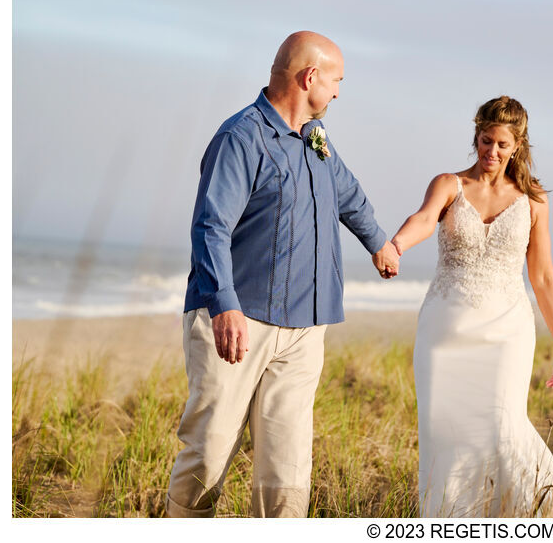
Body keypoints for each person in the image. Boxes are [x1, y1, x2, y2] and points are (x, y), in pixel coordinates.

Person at [165, 31, 400, 518]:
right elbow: (211, 225)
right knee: (207, 457)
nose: (338, 92)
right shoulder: (240, 137)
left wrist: (378, 241)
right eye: (336, 80)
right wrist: (224, 303)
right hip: (236, 324)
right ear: (309, 77)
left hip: (305, 328)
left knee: (287, 470)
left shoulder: (317, 139)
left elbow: (348, 194)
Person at [391, 95, 553, 517]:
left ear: (517, 147)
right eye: (486, 141)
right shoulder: (449, 184)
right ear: (477, 136)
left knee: (503, 427)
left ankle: (518, 518)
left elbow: (542, 275)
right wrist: (396, 245)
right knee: (445, 438)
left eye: (502, 145)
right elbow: (423, 218)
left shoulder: (534, 200)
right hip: (444, 333)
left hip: (508, 332)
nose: (492, 152)